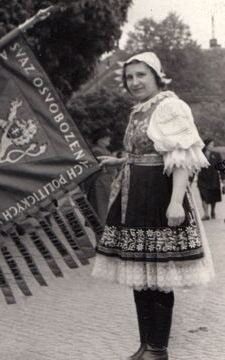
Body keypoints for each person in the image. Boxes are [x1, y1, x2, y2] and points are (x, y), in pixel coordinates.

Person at [91, 52, 214, 360]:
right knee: (141, 273)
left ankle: (158, 350)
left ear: (157, 75)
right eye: (129, 77)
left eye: (141, 75)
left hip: (159, 196)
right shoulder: (139, 111)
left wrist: (175, 203)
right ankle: (146, 346)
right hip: (135, 196)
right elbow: (150, 151)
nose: (135, 82)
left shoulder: (170, 106)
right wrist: (120, 160)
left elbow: (182, 158)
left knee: (159, 276)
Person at [85, 128, 119, 224]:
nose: (109, 139)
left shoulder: (102, 150)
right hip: (101, 183)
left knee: (105, 211)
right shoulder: (97, 151)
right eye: (106, 138)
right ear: (100, 139)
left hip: (106, 182)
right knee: (101, 212)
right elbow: (110, 167)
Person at [196, 139, 222, 220]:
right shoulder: (199, 154)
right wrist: (190, 179)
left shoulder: (216, 155)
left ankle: (212, 211)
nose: (212, 146)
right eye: (211, 144)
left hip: (213, 178)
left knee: (213, 196)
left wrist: (224, 179)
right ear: (206, 145)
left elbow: (221, 167)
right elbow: (194, 166)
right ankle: (206, 214)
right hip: (202, 178)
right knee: (203, 196)